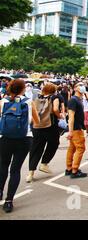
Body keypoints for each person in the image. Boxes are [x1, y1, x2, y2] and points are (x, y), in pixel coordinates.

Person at [0, 79, 40, 213]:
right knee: (15, 170)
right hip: (24, 139)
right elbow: (37, 121)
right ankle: (9, 201)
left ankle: (0, 191)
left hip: (5, 138)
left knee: (3, 165)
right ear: (23, 89)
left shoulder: (3, 102)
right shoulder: (29, 102)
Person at [27, 83, 63, 183]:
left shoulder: (37, 97)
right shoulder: (54, 97)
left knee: (36, 148)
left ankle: (30, 173)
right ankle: (44, 163)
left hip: (37, 126)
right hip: (50, 126)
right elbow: (55, 109)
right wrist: (60, 116)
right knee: (54, 143)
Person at [66, 82, 88, 178]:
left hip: (77, 127)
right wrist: (70, 131)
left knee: (72, 148)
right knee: (80, 148)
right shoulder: (73, 100)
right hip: (76, 129)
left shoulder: (78, 99)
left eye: (83, 84)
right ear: (75, 88)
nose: (82, 86)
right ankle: (74, 170)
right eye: (80, 85)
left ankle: (69, 168)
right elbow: (71, 117)